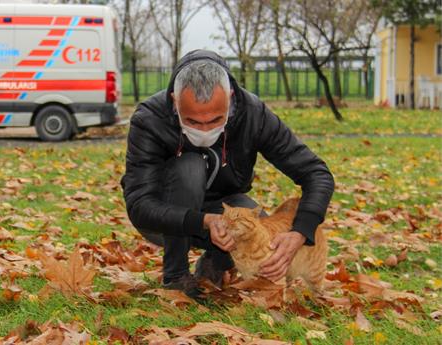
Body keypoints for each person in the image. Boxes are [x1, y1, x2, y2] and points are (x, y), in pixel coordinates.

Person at [120, 50, 334, 297]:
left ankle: (215, 262)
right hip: (166, 214)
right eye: (192, 121)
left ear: (230, 98)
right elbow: (140, 205)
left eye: (215, 120)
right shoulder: (149, 118)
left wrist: (301, 231)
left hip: (224, 207)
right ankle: (176, 275)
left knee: (258, 230)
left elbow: (317, 174)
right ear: (174, 101)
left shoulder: (253, 114)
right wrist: (204, 221)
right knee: (190, 166)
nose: (205, 130)